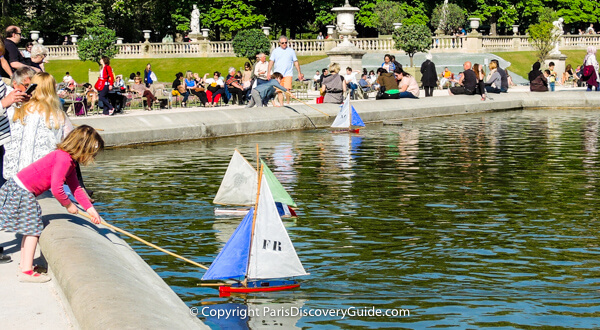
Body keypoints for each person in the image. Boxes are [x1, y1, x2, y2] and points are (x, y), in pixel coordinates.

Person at [0, 125, 103, 283]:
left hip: (21, 188)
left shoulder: (69, 161)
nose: (91, 158)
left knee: (29, 227)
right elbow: (56, 188)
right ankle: (26, 271)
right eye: (91, 154)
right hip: (22, 190)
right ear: (82, 148)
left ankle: (24, 265)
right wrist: (68, 205)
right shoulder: (63, 159)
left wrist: (90, 210)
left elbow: (75, 188)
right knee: (33, 228)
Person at [3, 71, 73, 182]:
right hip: (41, 176)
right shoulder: (57, 115)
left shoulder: (14, 111)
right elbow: (71, 143)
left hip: (13, 175)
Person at [267, 36, 303, 105]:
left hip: (288, 73)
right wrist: (269, 72)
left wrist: (299, 73)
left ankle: (288, 103)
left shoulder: (291, 51)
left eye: (285, 43)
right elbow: (271, 62)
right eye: (282, 43)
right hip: (278, 74)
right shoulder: (275, 51)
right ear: (279, 43)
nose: (284, 44)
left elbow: (296, 62)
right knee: (279, 91)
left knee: (287, 89)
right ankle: (281, 105)